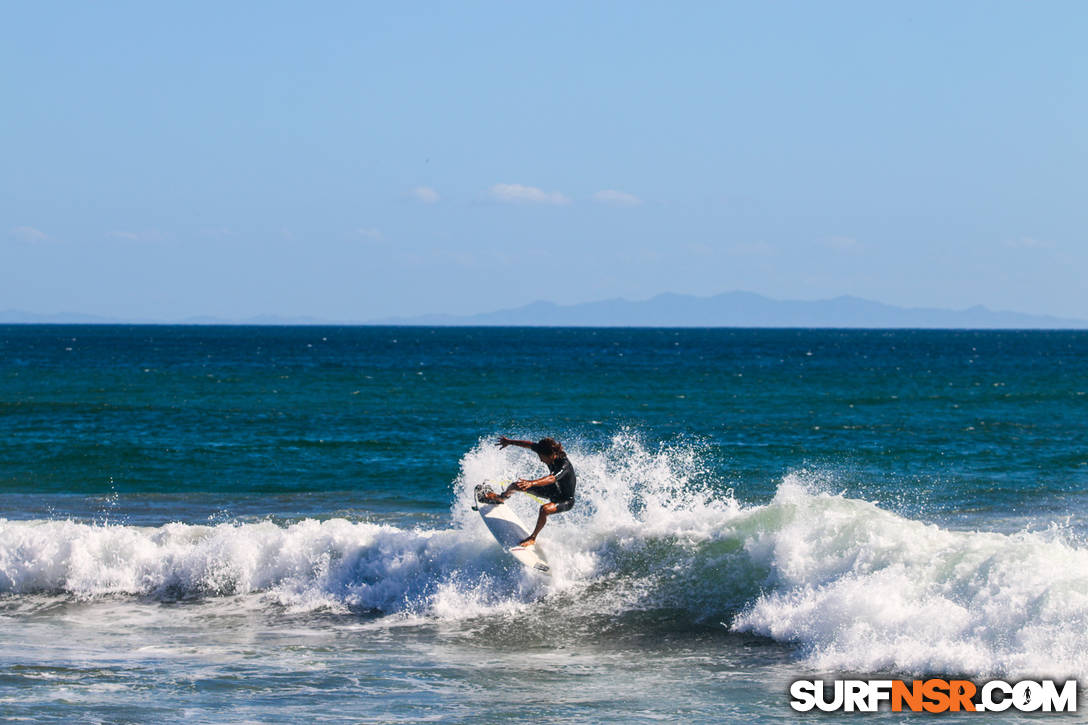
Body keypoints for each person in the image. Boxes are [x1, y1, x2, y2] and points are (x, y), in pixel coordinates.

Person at [480, 435, 576, 547]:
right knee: (516, 485)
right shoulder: (545, 450)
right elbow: (528, 444)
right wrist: (509, 442)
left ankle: (532, 538)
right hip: (552, 491)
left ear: (551, 455)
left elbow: (551, 478)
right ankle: (500, 498)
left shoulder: (564, 465)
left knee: (544, 510)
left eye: (542, 457)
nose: (540, 460)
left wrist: (531, 483)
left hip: (565, 499)